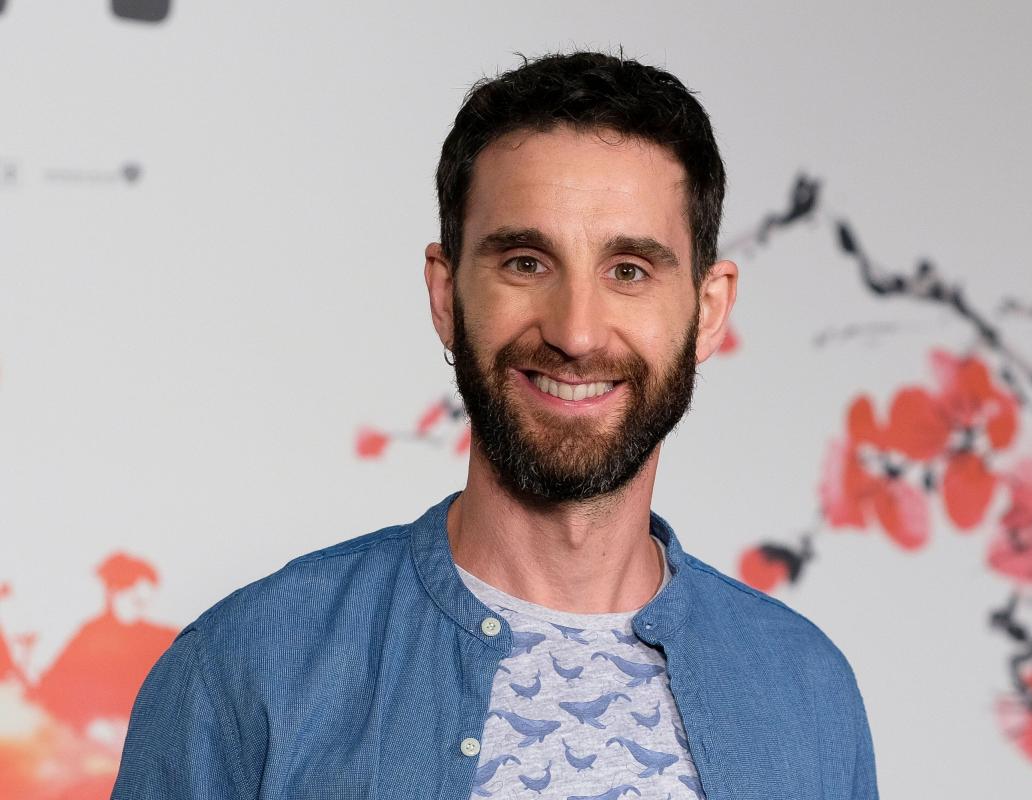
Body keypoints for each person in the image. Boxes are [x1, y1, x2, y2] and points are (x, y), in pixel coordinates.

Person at [112, 51, 878, 799]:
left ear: (708, 312)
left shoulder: (808, 691)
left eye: (629, 271)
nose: (576, 333)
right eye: (525, 262)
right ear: (446, 295)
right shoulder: (244, 669)